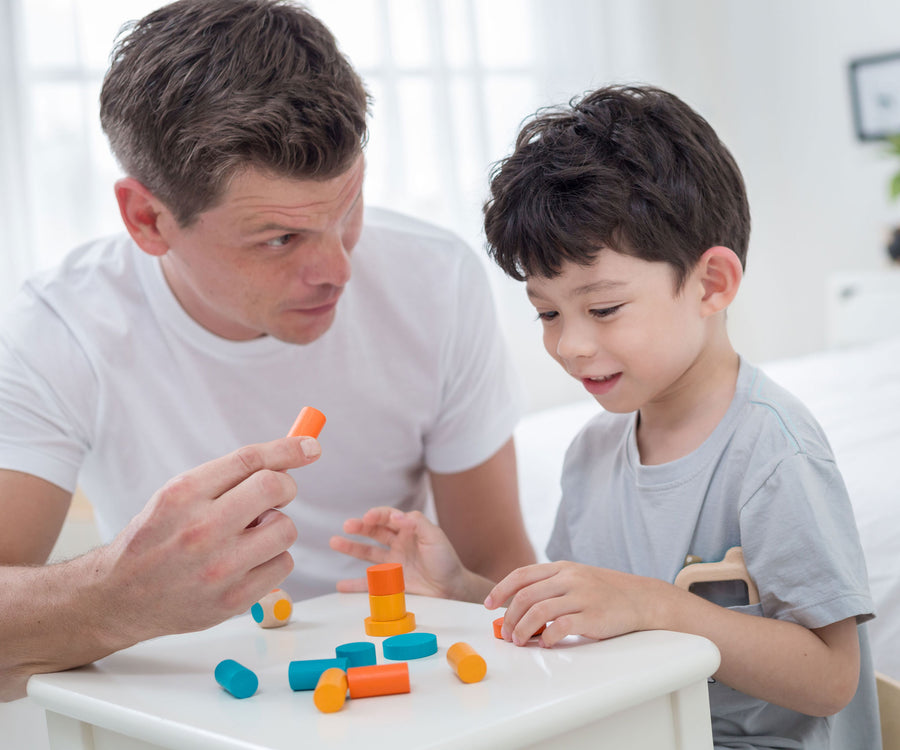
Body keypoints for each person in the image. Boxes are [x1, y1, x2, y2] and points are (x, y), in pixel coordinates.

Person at [0, 0, 534, 701]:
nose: (338, 269)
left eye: (348, 211)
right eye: (279, 239)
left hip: (397, 686)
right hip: (192, 704)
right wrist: (117, 597)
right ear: (148, 219)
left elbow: (494, 563)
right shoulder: (61, 329)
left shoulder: (436, 279)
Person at [333, 85, 881, 748]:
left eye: (603, 309)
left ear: (711, 284)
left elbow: (830, 680)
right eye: (547, 313)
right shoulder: (590, 453)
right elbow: (579, 621)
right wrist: (460, 588)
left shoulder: (773, 452)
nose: (571, 345)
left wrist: (655, 607)